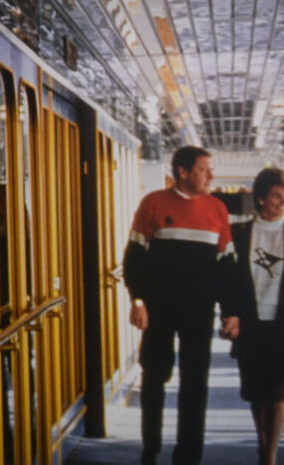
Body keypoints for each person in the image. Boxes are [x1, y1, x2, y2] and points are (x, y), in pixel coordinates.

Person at [123, 145, 240, 465]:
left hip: (199, 312)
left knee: (195, 384)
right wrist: (138, 300)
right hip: (158, 309)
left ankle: (188, 456)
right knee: (154, 378)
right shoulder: (153, 203)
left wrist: (230, 312)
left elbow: (227, 266)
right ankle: (150, 450)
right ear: (183, 172)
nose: (211, 176)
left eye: (211, 170)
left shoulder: (217, 209)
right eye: (204, 170)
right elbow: (134, 259)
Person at [228, 167, 284, 465]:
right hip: (249, 322)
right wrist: (230, 314)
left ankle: (269, 455)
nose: (282, 201)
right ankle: (262, 442)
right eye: (277, 195)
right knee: (256, 392)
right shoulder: (239, 233)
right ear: (261, 198)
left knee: (278, 392)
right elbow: (228, 279)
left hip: (281, 324)